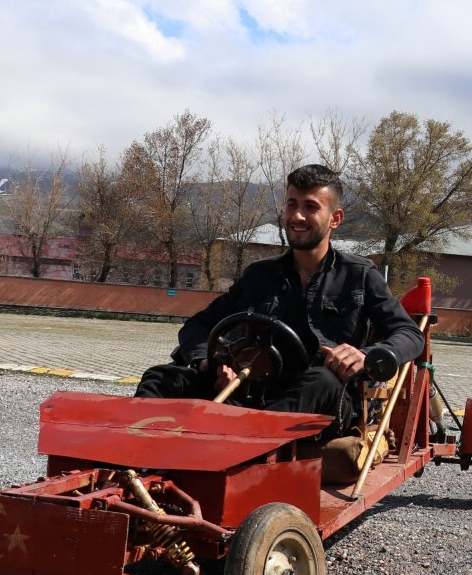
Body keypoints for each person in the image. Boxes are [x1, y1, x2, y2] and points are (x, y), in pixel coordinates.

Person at [135, 164, 425, 427]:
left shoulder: (360, 274)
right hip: (250, 394)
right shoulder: (259, 275)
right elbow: (197, 326)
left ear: (335, 218)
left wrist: (365, 355)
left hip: (322, 404)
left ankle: (248, 439)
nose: (297, 216)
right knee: (160, 377)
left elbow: (410, 334)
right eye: (291, 204)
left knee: (322, 379)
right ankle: (130, 466)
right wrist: (210, 364)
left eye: (311, 207)